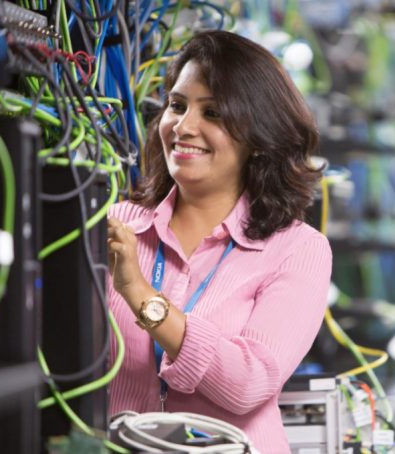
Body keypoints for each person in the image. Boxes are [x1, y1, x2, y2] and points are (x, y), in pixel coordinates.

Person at [106, 30, 332, 453]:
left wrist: (140, 295)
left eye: (213, 113)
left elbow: (249, 384)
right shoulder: (119, 228)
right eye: (177, 106)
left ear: (258, 138)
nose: (184, 127)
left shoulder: (298, 250)